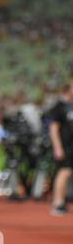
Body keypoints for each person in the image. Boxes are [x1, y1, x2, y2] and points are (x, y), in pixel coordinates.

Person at [49, 81, 73, 216]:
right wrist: (57, 147)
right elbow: (53, 128)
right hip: (65, 146)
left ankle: (63, 201)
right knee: (64, 172)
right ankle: (57, 203)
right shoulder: (60, 107)